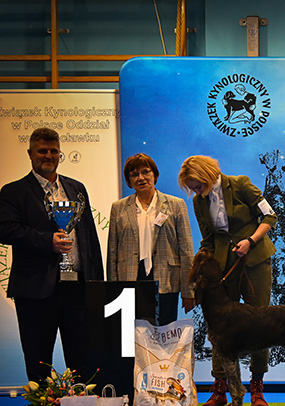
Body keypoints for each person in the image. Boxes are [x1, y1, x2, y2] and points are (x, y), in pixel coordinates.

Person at [0, 127, 103, 381]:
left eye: (53, 151)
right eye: (42, 151)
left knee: (83, 358)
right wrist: (48, 241)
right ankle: (45, 405)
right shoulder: (13, 191)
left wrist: (97, 284)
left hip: (77, 288)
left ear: (60, 154)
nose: (48, 156)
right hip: (35, 290)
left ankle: (81, 404)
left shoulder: (76, 188)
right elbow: (6, 230)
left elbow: (89, 237)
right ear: (30, 154)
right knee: (38, 359)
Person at [179, 155, 277, 406]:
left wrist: (251, 241)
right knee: (219, 327)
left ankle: (257, 386)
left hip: (255, 260)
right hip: (224, 266)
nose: (196, 192)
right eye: (192, 188)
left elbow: (270, 217)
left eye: (198, 185)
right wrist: (201, 270)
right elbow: (208, 239)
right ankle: (220, 387)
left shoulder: (241, 184)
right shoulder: (199, 202)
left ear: (208, 175)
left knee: (261, 322)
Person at [107, 153, 195, 326]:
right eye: (134, 174)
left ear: (155, 175)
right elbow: (112, 252)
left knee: (164, 334)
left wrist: (189, 291)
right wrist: (112, 289)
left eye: (145, 172)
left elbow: (186, 250)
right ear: (129, 181)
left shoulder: (176, 205)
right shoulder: (118, 208)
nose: (141, 178)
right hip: (129, 279)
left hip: (166, 279)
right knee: (133, 335)